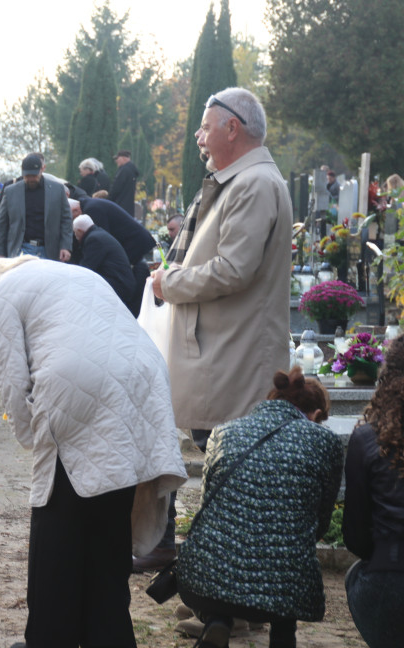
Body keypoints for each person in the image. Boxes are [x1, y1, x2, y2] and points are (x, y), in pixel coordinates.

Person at [0, 256, 186, 648]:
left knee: (56, 520)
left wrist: (34, 439)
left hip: (77, 382)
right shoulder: (78, 272)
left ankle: (47, 643)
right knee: (108, 514)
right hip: (142, 375)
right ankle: (112, 643)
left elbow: (11, 380)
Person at [152, 87, 293, 452]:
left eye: (204, 128)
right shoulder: (242, 180)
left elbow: (233, 269)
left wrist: (171, 282)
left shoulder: (253, 183)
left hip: (231, 366)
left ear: (232, 128)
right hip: (223, 359)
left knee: (232, 474)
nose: (199, 137)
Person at [176, 367, 343, 648]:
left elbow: (208, 505)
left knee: (221, 539)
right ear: (316, 413)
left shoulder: (224, 432)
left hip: (204, 578)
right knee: (289, 547)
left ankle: (217, 627)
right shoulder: (324, 442)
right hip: (283, 586)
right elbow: (320, 520)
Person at [344, 334, 404, 648]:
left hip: (391, 581)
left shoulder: (365, 439)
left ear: (387, 378)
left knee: (358, 575)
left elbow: (356, 536)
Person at [0, 153, 71, 262]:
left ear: (41, 170)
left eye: (34, 175)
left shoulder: (58, 190)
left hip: (49, 251)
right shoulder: (10, 191)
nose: (31, 179)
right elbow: (1, 224)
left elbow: (66, 220)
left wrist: (65, 246)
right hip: (20, 250)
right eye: (27, 176)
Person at [68, 215, 137, 316]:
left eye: (75, 232)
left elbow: (86, 269)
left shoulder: (94, 240)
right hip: (121, 282)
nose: (75, 235)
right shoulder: (98, 234)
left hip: (119, 285)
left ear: (80, 231)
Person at [109, 151, 140, 216]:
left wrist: (109, 200)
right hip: (128, 207)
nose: (116, 161)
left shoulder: (124, 170)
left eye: (117, 158)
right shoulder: (131, 170)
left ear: (124, 158)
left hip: (120, 206)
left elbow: (116, 188)